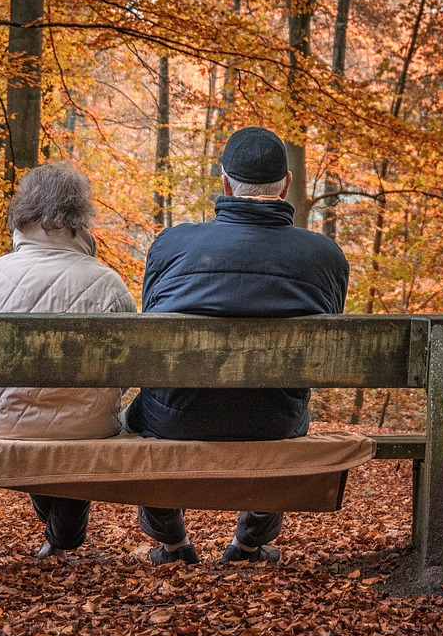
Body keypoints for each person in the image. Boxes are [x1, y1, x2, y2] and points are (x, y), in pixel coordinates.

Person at [124, 126, 350, 566]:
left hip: (176, 418)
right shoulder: (324, 256)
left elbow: (153, 324)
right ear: (286, 185)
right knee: (277, 407)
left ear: (225, 184)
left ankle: (171, 545)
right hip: (273, 419)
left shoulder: (172, 245)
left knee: (146, 411)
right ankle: (249, 545)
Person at [0, 162, 137, 560]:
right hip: (89, 424)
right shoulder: (106, 281)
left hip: (2, 422)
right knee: (73, 426)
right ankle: (65, 537)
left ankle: (61, 538)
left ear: (23, 214)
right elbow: (128, 369)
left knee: (37, 429)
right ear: (81, 218)